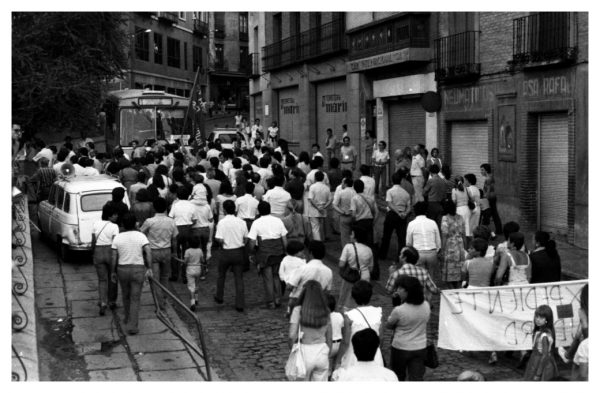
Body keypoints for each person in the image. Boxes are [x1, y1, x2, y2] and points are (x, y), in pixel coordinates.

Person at [110, 213, 152, 335]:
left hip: (122, 269)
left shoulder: (117, 237)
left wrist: (113, 271)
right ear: (135, 223)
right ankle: (132, 326)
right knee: (135, 298)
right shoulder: (141, 236)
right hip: (138, 269)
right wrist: (149, 268)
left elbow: (114, 256)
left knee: (125, 295)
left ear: (123, 224)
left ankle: (127, 318)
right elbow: (148, 252)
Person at [333, 280, 384, 379]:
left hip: (353, 355)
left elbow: (345, 342)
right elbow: (380, 339)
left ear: (353, 296)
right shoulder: (379, 313)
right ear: (370, 295)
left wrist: (338, 361)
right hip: (374, 355)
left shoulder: (349, 316)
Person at [386, 275, 430, 381]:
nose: (397, 290)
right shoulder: (426, 305)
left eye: (400, 288)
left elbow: (389, 325)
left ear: (408, 291)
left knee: (398, 376)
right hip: (420, 347)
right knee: (416, 378)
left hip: (401, 347)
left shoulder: (399, 310)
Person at [288, 280, 332, 381]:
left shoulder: (298, 310)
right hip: (322, 352)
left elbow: (291, 335)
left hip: (304, 352)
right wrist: (327, 354)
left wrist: (292, 349)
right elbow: (329, 336)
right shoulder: (326, 311)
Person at [139, 197, 178, 310]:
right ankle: (164, 299)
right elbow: (174, 239)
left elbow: (141, 233)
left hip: (153, 252)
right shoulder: (171, 221)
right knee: (165, 277)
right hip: (167, 251)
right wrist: (174, 252)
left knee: (155, 279)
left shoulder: (149, 221)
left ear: (154, 207)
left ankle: (159, 303)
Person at [248, 201, 288, 309]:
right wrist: (285, 251)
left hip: (264, 254)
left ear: (259, 211)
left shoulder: (256, 223)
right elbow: (284, 239)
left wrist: (251, 252)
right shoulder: (278, 221)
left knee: (268, 278)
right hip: (278, 252)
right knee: (276, 277)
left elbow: (252, 241)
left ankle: (271, 302)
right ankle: (278, 299)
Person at [214, 200, 248, 312]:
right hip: (238, 251)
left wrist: (223, 242)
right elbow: (246, 238)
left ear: (224, 210)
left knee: (221, 275)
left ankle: (219, 296)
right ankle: (240, 304)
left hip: (226, 252)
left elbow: (219, 238)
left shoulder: (222, 222)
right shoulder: (241, 222)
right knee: (239, 278)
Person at [91, 204, 120, 315]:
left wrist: (93, 253)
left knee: (102, 280)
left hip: (98, 251)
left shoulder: (96, 224)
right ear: (109, 216)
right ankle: (112, 301)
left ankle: (103, 302)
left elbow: (93, 241)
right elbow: (115, 242)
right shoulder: (114, 226)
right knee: (112, 277)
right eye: (114, 214)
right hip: (110, 251)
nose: (116, 216)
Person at [337, 226, 374, 310]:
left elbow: (341, 264)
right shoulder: (369, 250)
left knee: (346, 297)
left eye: (352, 234)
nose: (350, 236)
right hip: (365, 277)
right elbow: (371, 269)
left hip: (351, 276)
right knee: (361, 299)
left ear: (355, 236)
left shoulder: (348, 247)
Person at [379, 171, 411, 261]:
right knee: (401, 238)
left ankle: (382, 255)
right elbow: (409, 207)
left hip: (392, 215)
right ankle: (401, 257)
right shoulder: (406, 193)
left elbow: (389, 204)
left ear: (392, 181)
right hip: (402, 216)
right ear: (401, 181)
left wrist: (397, 212)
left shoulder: (390, 191)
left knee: (386, 236)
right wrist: (404, 213)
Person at [406, 201, 441, 282]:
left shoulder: (411, 224)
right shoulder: (433, 223)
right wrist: (437, 250)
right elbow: (438, 240)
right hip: (432, 253)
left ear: (415, 212)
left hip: (418, 253)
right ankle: (429, 294)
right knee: (431, 278)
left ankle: (421, 293)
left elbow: (408, 243)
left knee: (419, 278)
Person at [523, 305, 559, 380]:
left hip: (540, 364)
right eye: (537, 316)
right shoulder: (539, 332)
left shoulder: (544, 335)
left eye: (541, 318)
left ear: (547, 320)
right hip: (535, 361)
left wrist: (538, 374)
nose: (538, 320)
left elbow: (545, 355)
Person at [440, 200, 466, 288]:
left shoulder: (445, 218)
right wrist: (465, 248)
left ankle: (451, 290)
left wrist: (442, 249)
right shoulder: (461, 218)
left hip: (450, 246)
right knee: (459, 268)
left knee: (449, 270)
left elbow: (444, 235)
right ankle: (459, 287)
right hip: (460, 245)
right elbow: (464, 234)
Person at [306, 171, 332, 241]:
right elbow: (330, 200)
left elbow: (311, 199)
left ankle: (318, 243)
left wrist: (318, 208)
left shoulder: (312, 187)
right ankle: (322, 242)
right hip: (323, 209)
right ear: (323, 178)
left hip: (314, 210)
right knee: (321, 227)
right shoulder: (326, 188)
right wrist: (324, 207)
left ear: (315, 178)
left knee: (315, 228)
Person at [332, 176, 356, 247]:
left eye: (342, 182)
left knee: (344, 236)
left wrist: (342, 212)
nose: (341, 184)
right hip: (354, 216)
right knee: (353, 234)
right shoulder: (355, 192)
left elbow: (334, 205)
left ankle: (346, 250)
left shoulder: (341, 193)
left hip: (344, 216)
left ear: (345, 184)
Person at [480, 163, 502, 238]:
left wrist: (484, 197)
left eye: (482, 170)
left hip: (490, 198)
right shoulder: (490, 177)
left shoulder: (488, 179)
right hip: (492, 197)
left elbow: (488, 190)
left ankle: (489, 231)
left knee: (491, 214)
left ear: (486, 170)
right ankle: (498, 230)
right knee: (494, 214)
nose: (481, 171)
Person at [327, 294, 345, 379]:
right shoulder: (339, 315)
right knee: (337, 366)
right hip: (339, 343)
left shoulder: (324, 317)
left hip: (329, 344)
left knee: (328, 368)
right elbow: (342, 328)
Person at [184, 235, 204, 311]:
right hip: (198, 269)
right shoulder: (200, 250)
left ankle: (192, 303)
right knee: (197, 285)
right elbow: (202, 260)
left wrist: (182, 262)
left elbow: (185, 262)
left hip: (190, 269)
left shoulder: (187, 251)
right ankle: (196, 299)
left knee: (191, 287)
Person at [464, 173, 481, 238]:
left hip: (471, 210)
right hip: (477, 209)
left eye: (465, 180)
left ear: (468, 181)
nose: (464, 182)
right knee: (474, 228)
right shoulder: (477, 189)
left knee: (468, 230)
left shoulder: (468, 189)